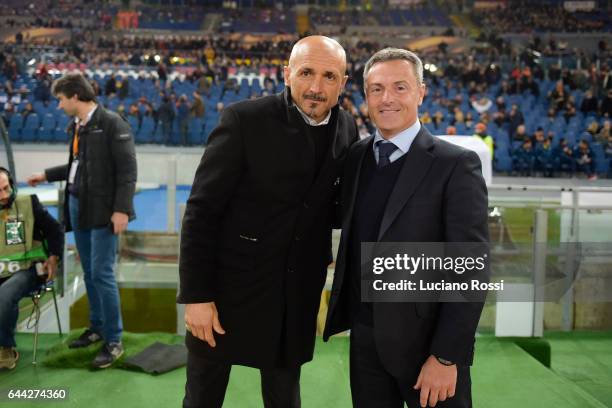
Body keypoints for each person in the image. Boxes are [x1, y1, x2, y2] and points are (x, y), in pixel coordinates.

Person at [178, 35, 357, 408]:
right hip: (228, 290)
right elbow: (201, 211)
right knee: (202, 398)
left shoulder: (347, 129)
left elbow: (331, 205)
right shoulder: (245, 119)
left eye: (329, 76)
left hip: (295, 296)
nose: (316, 87)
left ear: (343, 82)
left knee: (285, 397)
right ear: (287, 74)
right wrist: (196, 295)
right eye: (307, 72)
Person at [324, 48, 489, 408]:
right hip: (365, 343)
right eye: (376, 89)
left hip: (428, 350)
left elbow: (470, 269)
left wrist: (447, 356)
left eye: (400, 87)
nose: (387, 99)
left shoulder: (456, 165)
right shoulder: (356, 158)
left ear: (421, 92)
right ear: (365, 95)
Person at [27, 73, 137, 369]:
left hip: (103, 211)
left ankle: (114, 340)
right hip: (78, 206)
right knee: (89, 271)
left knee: (101, 274)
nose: (59, 105)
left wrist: (122, 209)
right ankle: (97, 328)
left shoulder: (113, 123)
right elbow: (78, 166)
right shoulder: (78, 126)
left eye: (61, 99)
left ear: (75, 96)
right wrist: (47, 175)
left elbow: (127, 171)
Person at [0, 168, 63, 370]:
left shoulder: (28, 204)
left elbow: (55, 229)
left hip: (30, 270)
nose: (4, 195)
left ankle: (5, 348)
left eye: (6, 188)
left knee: (5, 293)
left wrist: (53, 257)